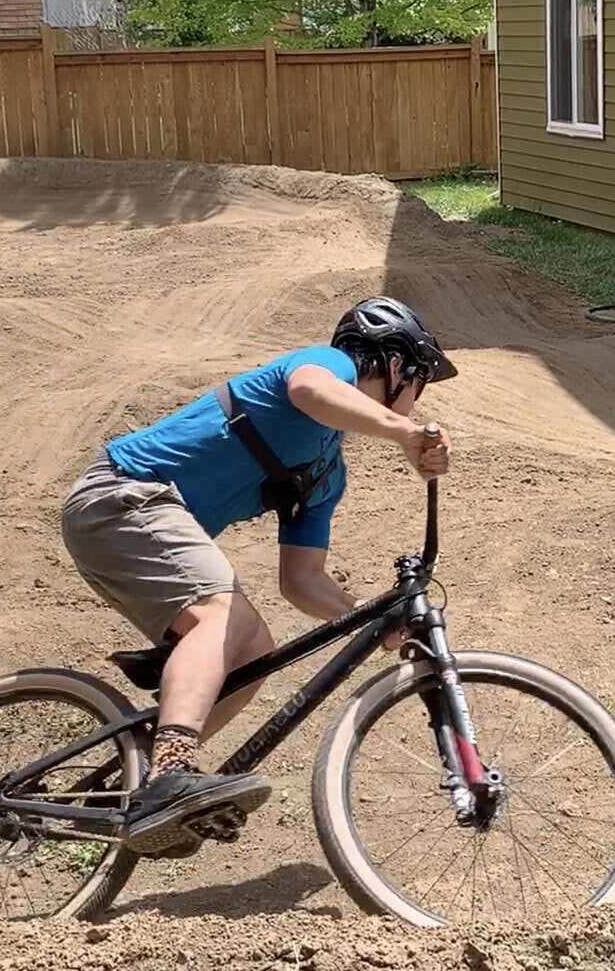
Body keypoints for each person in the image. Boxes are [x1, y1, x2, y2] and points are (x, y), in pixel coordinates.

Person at [59, 296, 457, 852]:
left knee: (253, 650)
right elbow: (308, 391)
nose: (416, 405)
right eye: (420, 385)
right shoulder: (330, 363)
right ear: (394, 366)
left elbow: (301, 579)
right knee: (221, 613)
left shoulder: (324, 474)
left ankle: (144, 779)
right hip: (122, 496)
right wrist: (401, 432)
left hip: (137, 524)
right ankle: (170, 772)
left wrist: (366, 620)